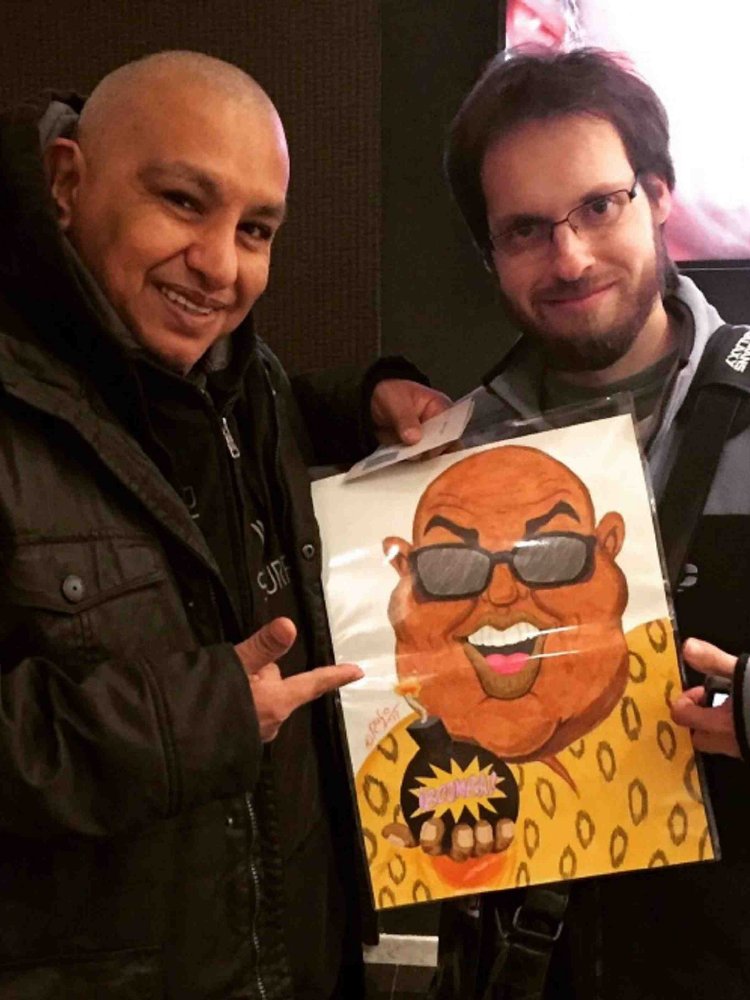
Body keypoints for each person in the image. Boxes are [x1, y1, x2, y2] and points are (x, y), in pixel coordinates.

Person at [0, 50, 447, 1000]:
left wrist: (362, 401)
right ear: (68, 182)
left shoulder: (243, 371)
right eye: (181, 201)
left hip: (297, 953)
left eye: (255, 229)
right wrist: (195, 721)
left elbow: (210, 441)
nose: (219, 266)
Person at [431, 46, 750, 1000]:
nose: (568, 258)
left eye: (598, 207)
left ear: (659, 196)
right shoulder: (443, 466)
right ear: (490, 255)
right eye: (526, 230)